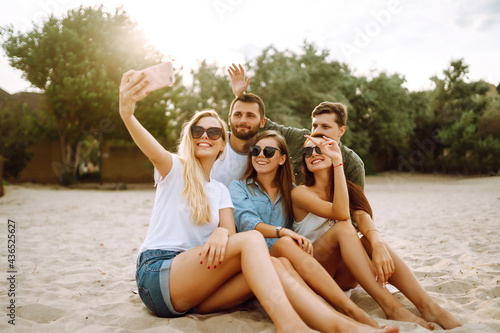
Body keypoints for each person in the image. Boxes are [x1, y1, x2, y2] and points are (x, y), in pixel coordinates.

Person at [119, 69, 398, 333]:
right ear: (190, 138)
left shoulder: (219, 190)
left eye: (214, 133)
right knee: (254, 240)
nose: (205, 136)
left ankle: (343, 324)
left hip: (198, 289)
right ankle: (290, 325)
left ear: (222, 143)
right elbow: (151, 148)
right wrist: (128, 113)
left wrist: (220, 232)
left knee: (279, 263)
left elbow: (229, 231)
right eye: (198, 131)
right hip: (159, 272)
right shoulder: (174, 168)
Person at [291, 134, 463, 330]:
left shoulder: (346, 190)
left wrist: (378, 244)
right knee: (345, 228)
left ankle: (429, 307)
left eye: (321, 148)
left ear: (334, 151)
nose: (313, 154)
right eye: (307, 151)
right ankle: (392, 307)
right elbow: (340, 213)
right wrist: (338, 163)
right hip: (314, 271)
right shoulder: (300, 193)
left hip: (341, 278)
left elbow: (363, 217)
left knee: (366, 240)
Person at [229, 130, 379, 328]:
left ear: (282, 159)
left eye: (268, 151)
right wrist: (282, 231)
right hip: (254, 265)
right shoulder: (238, 187)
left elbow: (343, 212)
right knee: (284, 244)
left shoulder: (291, 190)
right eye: (256, 150)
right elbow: (248, 223)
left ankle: (346, 312)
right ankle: (348, 309)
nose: (260, 155)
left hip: (287, 265)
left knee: (286, 252)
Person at [225, 63, 365, 188]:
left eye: (326, 127)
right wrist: (240, 95)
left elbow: (356, 210)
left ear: (341, 131)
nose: (317, 132)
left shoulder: (353, 165)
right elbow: (259, 123)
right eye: (314, 126)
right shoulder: (300, 139)